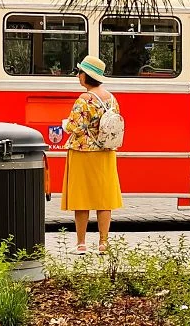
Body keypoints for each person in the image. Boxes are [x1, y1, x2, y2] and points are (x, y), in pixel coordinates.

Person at [61, 54, 123, 255]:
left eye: (79, 72)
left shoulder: (84, 99)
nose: (78, 76)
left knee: (82, 199)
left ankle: (81, 244)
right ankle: (103, 243)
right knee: (104, 199)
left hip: (83, 153)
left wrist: (65, 124)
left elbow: (73, 126)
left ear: (86, 75)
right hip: (106, 153)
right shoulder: (111, 98)